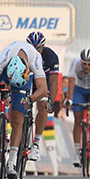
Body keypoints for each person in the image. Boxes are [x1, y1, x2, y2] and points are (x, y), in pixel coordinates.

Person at [0, 41, 48, 179]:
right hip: (4, 71)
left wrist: (30, 100)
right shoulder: (7, 54)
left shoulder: (35, 60)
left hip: (23, 79)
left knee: (17, 119)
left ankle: (11, 162)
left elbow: (43, 89)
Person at [65, 48, 90, 167]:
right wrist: (70, 99)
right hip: (79, 89)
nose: (86, 67)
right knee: (77, 117)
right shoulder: (76, 63)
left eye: (89, 64)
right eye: (84, 63)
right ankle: (77, 153)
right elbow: (71, 82)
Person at [25, 31, 59, 162]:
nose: (35, 51)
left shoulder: (51, 57)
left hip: (42, 84)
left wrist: (51, 101)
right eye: (32, 48)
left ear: (43, 47)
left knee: (43, 105)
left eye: (38, 48)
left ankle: (36, 143)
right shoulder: (22, 54)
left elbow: (54, 82)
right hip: (28, 81)